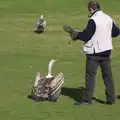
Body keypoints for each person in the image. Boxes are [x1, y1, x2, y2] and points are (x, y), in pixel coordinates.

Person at [63, 0, 120, 105]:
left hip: (94, 53)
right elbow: (116, 32)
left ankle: (87, 100)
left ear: (91, 9)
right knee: (108, 76)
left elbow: (86, 36)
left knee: (90, 76)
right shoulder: (108, 18)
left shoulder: (93, 20)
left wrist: (73, 33)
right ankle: (111, 99)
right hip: (106, 52)